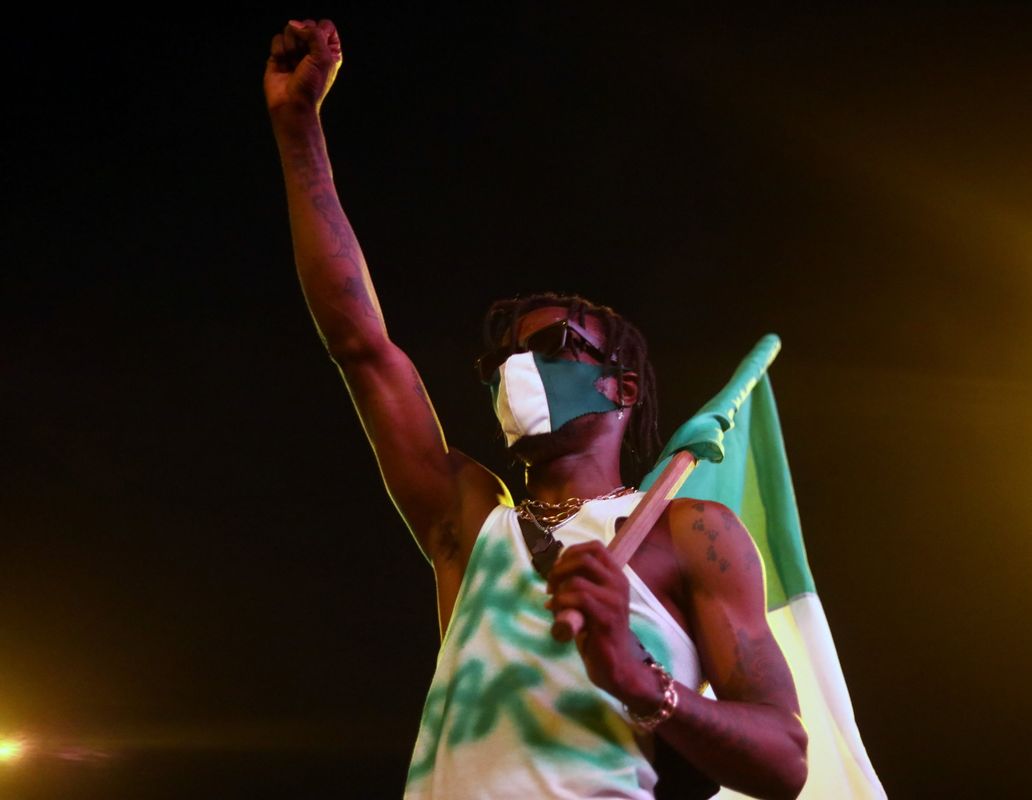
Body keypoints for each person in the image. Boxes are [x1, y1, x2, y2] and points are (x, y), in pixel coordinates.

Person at [265, 19, 808, 800]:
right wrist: (297, 128)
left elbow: (786, 759)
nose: (518, 368)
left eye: (552, 345)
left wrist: (638, 677)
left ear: (623, 387)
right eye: (501, 361)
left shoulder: (688, 534)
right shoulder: (468, 517)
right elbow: (362, 347)